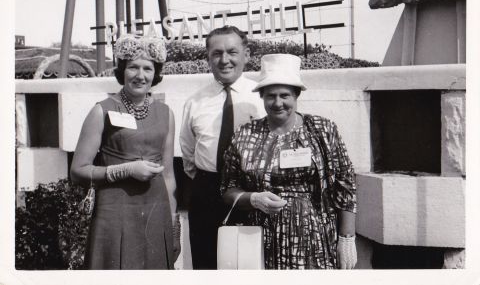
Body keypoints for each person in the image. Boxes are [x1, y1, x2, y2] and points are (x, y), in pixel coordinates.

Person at [220, 54, 357, 269]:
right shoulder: (245, 135)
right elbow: (227, 189)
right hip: (258, 240)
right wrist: (253, 198)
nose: (277, 103)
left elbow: (346, 185)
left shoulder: (322, 130)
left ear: (296, 95)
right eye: (270, 96)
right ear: (262, 96)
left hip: (314, 240)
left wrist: (347, 238)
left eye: (285, 95)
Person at [70, 33, 180, 269]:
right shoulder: (102, 111)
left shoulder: (166, 113)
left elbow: (169, 175)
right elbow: (77, 171)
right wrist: (126, 170)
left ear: (156, 73)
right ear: (122, 71)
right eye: (133, 68)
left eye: (148, 69)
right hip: (114, 212)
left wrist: (173, 225)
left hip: (156, 211)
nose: (140, 76)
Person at [179, 25, 265, 269]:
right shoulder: (195, 101)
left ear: (246, 55)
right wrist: (208, 181)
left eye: (232, 52)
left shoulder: (262, 96)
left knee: (250, 266)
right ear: (208, 57)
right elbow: (188, 153)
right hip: (207, 191)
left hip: (251, 191)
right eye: (216, 53)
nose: (224, 60)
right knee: (206, 264)